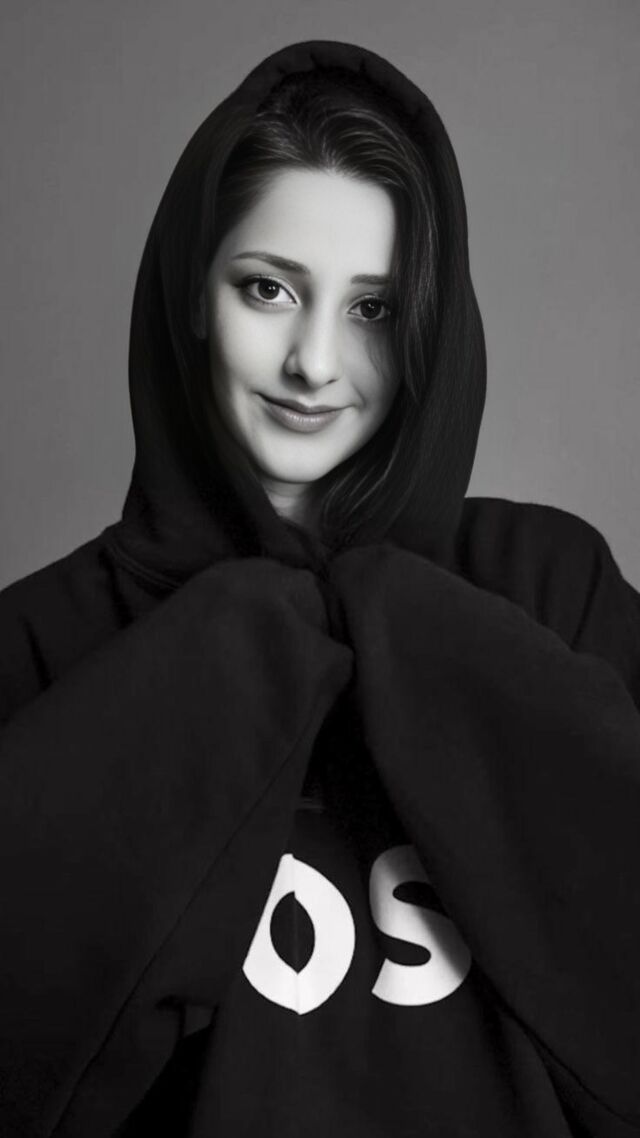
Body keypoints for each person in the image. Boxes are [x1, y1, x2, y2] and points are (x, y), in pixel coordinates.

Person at [0, 38, 639, 1138]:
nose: (313, 362)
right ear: (192, 295)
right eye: (268, 288)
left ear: (430, 325)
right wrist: (229, 653)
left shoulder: (548, 588)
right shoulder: (44, 639)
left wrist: (409, 621)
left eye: (372, 309)